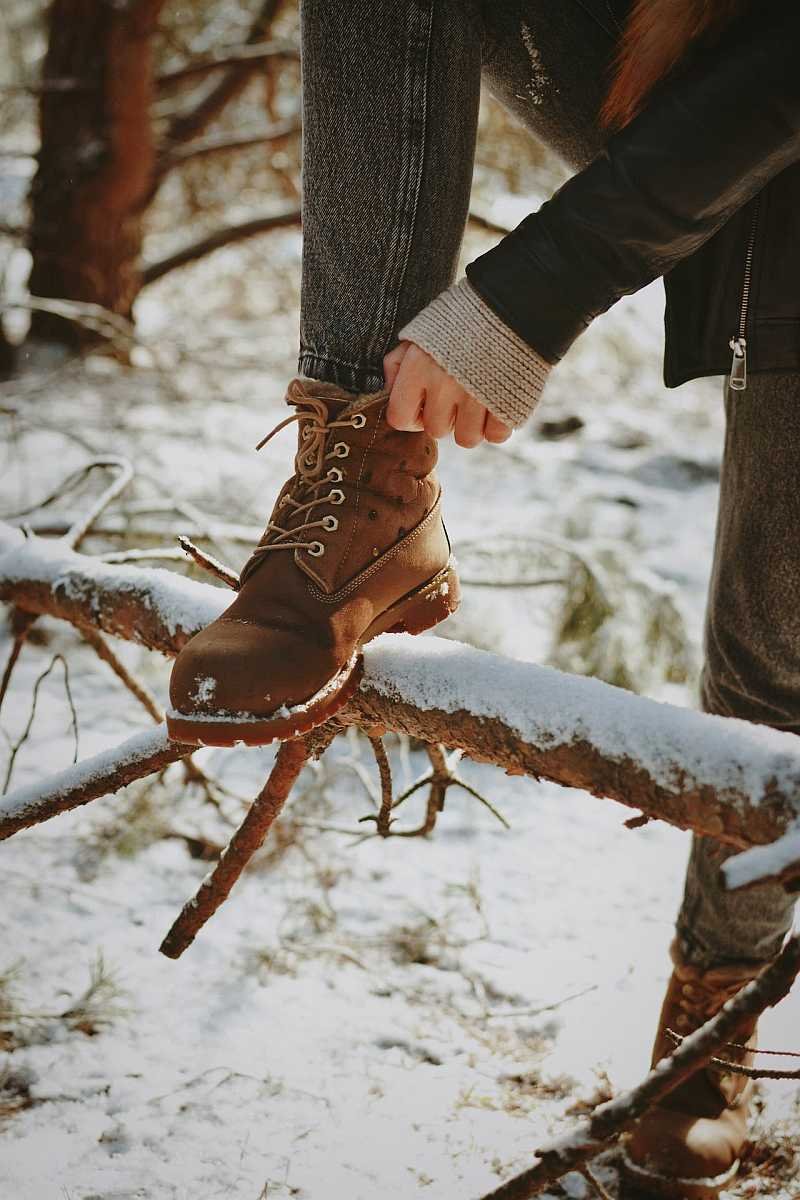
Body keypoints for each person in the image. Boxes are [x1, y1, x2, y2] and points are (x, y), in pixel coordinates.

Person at [167, 2, 800, 1195]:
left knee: (772, 676)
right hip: (695, 62)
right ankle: (365, 480)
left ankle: (706, 1024)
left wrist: (526, 293)